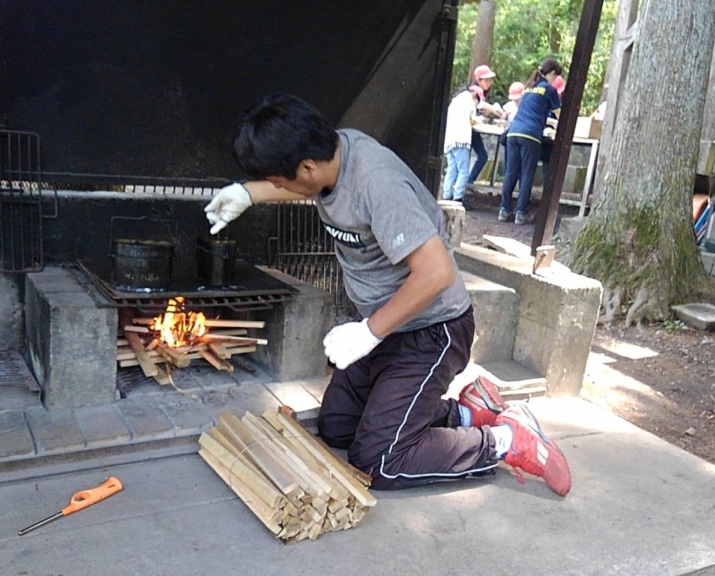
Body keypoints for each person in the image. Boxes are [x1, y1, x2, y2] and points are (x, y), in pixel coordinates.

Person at [204, 93, 571, 495]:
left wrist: (368, 333)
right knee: (338, 426)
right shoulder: (331, 153)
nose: (276, 187)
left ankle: (506, 441)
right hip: (387, 325)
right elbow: (304, 186)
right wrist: (248, 193)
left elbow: (437, 273)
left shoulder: (377, 183)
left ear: (306, 166)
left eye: (277, 181)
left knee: (379, 461)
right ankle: (468, 414)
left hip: (433, 330)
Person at [500, 58, 563, 225]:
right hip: (530, 135)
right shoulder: (549, 89)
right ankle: (521, 212)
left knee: (511, 172)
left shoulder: (529, 88)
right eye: (556, 76)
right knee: (527, 173)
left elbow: (530, 111)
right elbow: (560, 116)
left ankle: (504, 210)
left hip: (513, 132)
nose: (555, 80)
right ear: (551, 73)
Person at [441, 85, 484, 203]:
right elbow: (473, 119)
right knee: (463, 171)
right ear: (475, 95)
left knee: (451, 169)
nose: (476, 104)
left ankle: (446, 195)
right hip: (461, 140)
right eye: (477, 101)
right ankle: (458, 197)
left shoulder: (455, 101)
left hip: (450, 139)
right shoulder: (469, 103)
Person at [465, 65, 503, 191]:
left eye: (490, 80)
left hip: (473, 131)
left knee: (482, 156)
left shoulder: (483, 93)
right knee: (472, 157)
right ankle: (463, 186)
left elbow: (481, 110)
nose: (489, 82)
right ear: (478, 80)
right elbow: (480, 104)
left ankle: (469, 182)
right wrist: (493, 108)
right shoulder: (474, 90)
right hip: (466, 131)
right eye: (486, 80)